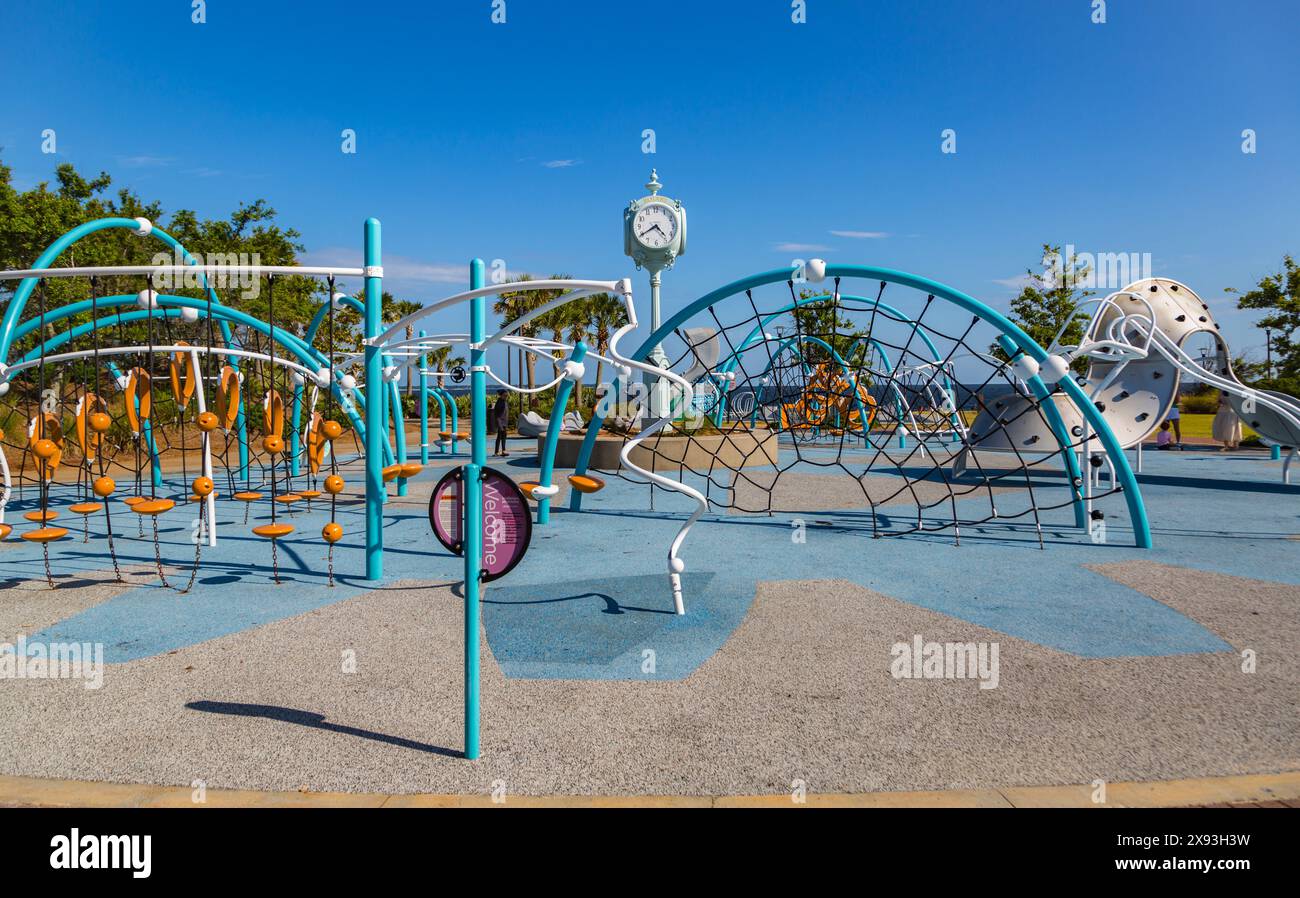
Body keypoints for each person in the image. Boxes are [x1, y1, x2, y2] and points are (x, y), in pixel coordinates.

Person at [492, 389, 510, 456]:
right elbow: (497, 414)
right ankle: (497, 452)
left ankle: (503, 450)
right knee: (499, 436)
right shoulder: (499, 402)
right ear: (501, 395)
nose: (506, 396)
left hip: (504, 422)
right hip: (500, 422)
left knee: (504, 436)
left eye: (507, 395)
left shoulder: (504, 401)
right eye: (505, 395)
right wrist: (499, 424)